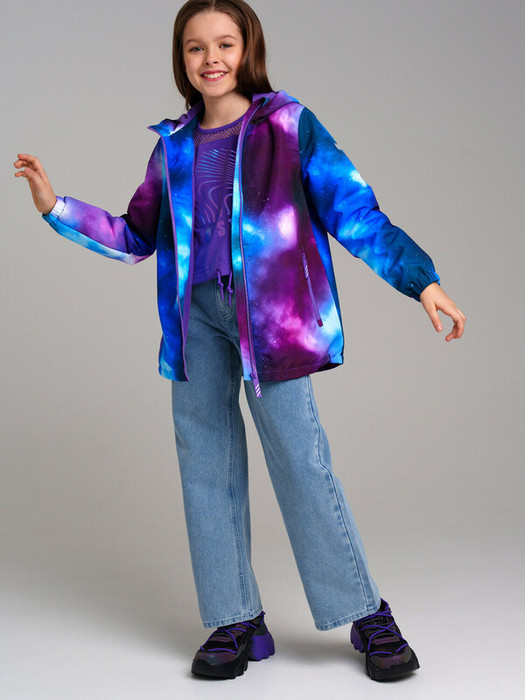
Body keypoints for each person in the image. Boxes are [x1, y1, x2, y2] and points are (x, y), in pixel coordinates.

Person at [14, 0, 466, 683]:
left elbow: (353, 210)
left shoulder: (287, 124)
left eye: (224, 43)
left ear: (248, 48)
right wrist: (56, 206)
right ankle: (235, 619)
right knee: (205, 461)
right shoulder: (172, 145)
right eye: (195, 47)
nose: (211, 58)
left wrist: (421, 280)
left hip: (271, 322)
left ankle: (364, 611)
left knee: (300, 459)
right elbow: (136, 236)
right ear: (182, 60)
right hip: (195, 318)